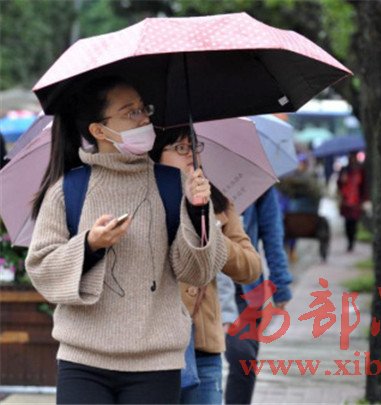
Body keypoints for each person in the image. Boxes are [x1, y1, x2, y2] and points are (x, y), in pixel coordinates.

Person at [25, 76, 229, 404]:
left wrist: (197, 211)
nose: (144, 118)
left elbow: (198, 272)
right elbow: (41, 270)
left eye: (144, 109)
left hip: (157, 362)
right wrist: (90, 245)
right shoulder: (68, 190)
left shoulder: (174, 184)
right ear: (99, 130)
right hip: (83, 360)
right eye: (130, 112)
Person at [150, 128, 262, 404]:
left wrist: (207, 228)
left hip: (202, 345)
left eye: (195, 146)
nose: (191, 156)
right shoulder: (146, 201)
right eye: (180, 148)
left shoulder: (218, 200)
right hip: (155, 346)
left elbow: (250, 267)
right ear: (156, 154)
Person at [224, 186, 293, 404]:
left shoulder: (256, 184)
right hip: (198, 287)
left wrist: (281, 284)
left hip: (244, 287)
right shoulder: (190, 172)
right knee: (198, 367)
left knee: (243, 357)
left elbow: (272, 236)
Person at [337, 152, 368, 252]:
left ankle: (352, 241)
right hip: (346, 200)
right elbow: (339, 184)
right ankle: (349, 241)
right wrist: (342, 180)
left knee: (354, 222)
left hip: (356, 201)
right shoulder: (344, 170)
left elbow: (363, 186)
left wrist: (364, 199)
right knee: (347, 222)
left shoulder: (360, 171)